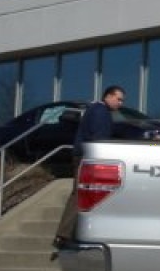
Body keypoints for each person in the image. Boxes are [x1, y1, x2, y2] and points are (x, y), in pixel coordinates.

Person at [53, 85, 126, 249]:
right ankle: (64, 236)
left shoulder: (96, 110)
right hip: (87, 157)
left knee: (81, 195)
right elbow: (100, 139)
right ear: (108, 96)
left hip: (83, 155)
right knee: (81, 195)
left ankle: (66, 235)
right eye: (118, 99)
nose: (120, 103)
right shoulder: (100, 112)